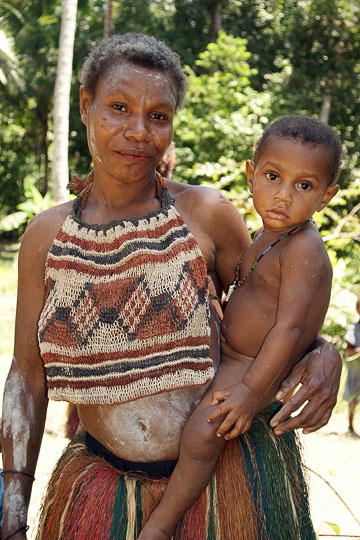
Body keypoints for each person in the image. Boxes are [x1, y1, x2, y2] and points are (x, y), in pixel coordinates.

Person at [0, 34, 342, 540]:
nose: (138, 130)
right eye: (118, 107)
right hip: (101, 487)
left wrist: (323, 351)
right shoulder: (45, 237)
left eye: (158, 116)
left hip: (230, 479)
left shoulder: (206, 213)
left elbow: (270, 306)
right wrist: (12, 501)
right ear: (85, 106)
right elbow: (27, 375)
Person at [138, 114, 341, 539]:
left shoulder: (304, 249)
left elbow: (288, 329)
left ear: (326, 196)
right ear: (251, 176)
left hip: (254, 366)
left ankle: (160, 525)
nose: (283, 196)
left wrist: (250, 392)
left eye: (303, 186)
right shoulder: (270, 235)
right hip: (232, 355)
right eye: (272, 176)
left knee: (201, 434)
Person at [343, 295, 360, 436]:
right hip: (355, 372)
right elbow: (348, 349)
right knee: (353, 399)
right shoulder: (354, 328)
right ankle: (350, 426)